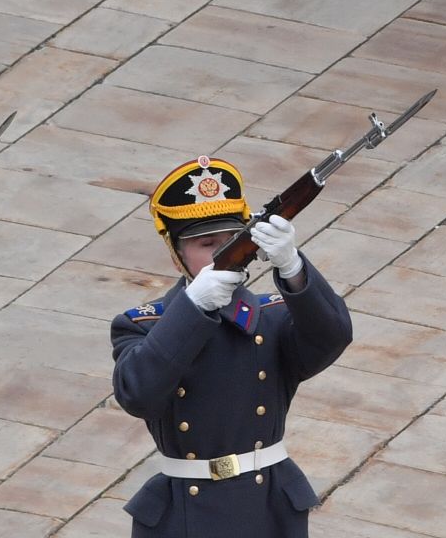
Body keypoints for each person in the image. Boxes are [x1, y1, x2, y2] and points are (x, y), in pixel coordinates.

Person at [113, 156, 353, 537]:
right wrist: (192, 309)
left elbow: (333, 337)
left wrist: (293, 269)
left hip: (267, 507)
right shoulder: (144, 325)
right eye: (206, 245)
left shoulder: (272, 317)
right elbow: (137, 394)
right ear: (178, 256)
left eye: (230, 242)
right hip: (187, 514)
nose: (219, 254)